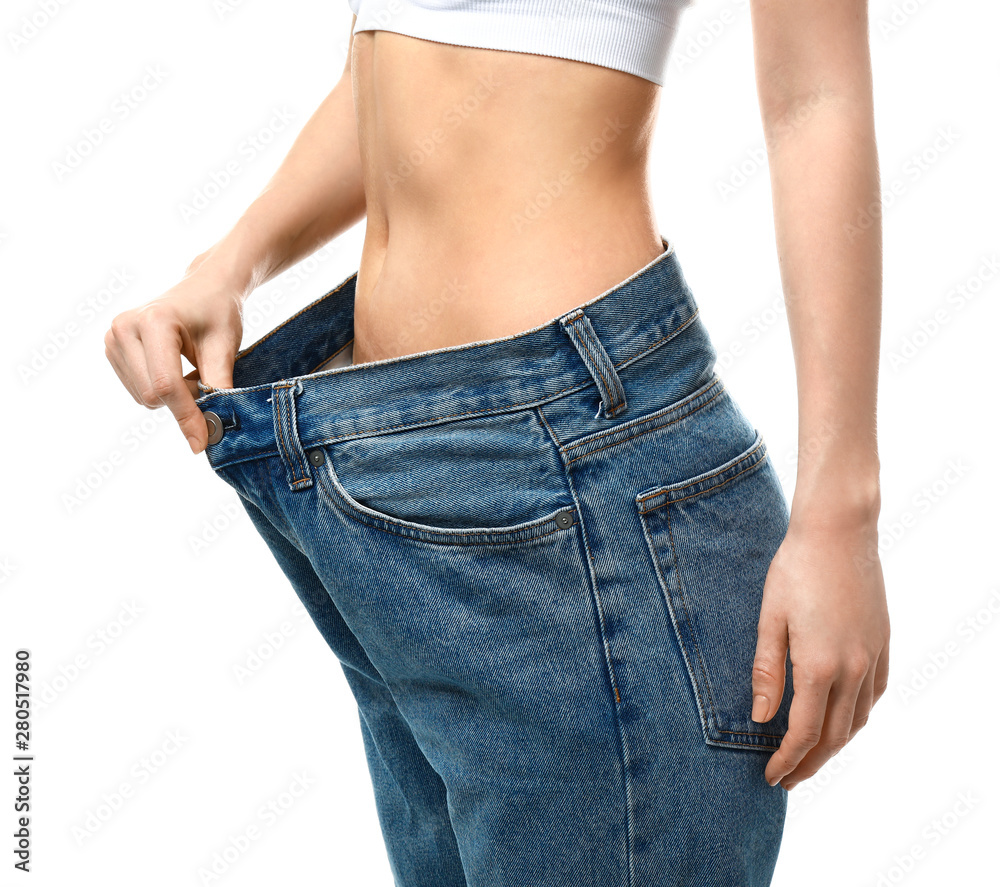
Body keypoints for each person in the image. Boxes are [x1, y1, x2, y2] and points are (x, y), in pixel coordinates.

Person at [104, 1, 890, 884]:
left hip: (572, 485)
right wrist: (227, 264)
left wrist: (840, 516)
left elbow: (813, 99)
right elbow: (416, 66)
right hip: (385, 481)